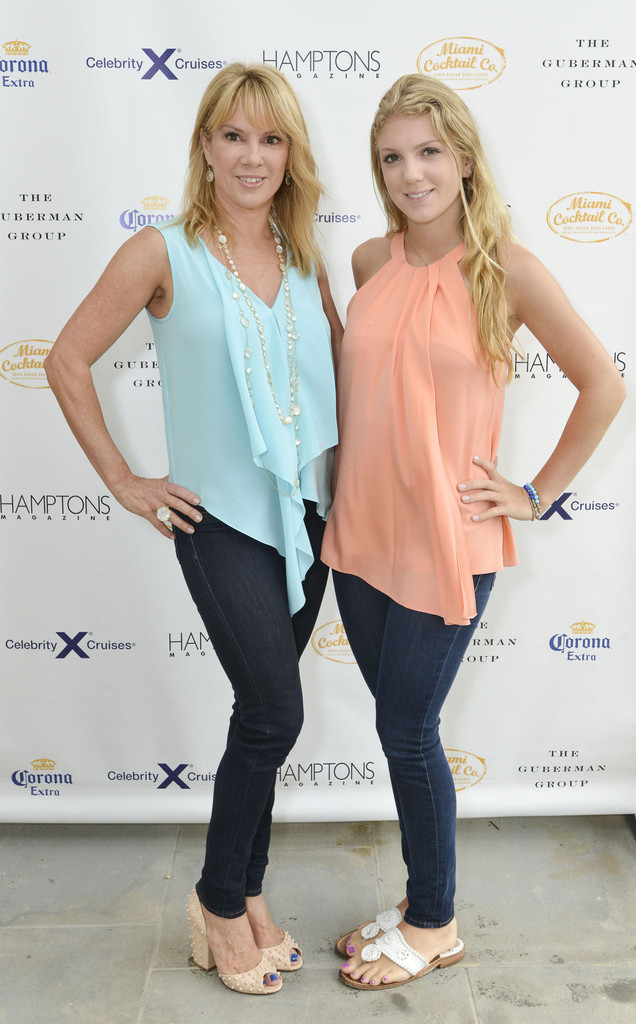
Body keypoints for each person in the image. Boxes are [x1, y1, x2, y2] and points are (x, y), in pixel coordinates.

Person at [321, 73, 625, 991]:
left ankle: (435, 923)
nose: (411, 173)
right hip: (358, 535)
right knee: (397, 728)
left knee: (408, 729)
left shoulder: (506, 268)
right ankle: (423, 899)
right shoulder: (368, 262)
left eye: (428, 152)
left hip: (446, 541)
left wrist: (535, 493)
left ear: (462, 159)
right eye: (392, 157)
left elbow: (604, 384)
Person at [44, 63, 340, 996]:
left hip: (309, 517)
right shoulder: (160, 251)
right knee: (276, 712)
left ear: (290, 154)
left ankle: (247, 892)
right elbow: (66, 358)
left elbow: (342, 374)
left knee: (260, 716)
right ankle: (217, 902)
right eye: (234, 136)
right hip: (218, 524)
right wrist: (123, 479)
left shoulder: (304, 253)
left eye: (271, 139)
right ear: (205, 145)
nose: (253, 156)